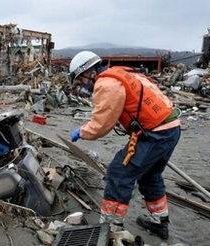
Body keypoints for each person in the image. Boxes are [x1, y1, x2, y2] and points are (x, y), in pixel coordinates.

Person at [68, 51, 181, 240]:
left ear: (88, 72)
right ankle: (159, 222)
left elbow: (101, 124)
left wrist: (82, 131)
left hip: (154, 134)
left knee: (119, 173)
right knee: (150, 176)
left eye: (80, 81)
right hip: (170, 128)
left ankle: (111, 226)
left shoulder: (106, 84)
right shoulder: (122, 73)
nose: (82, 86)